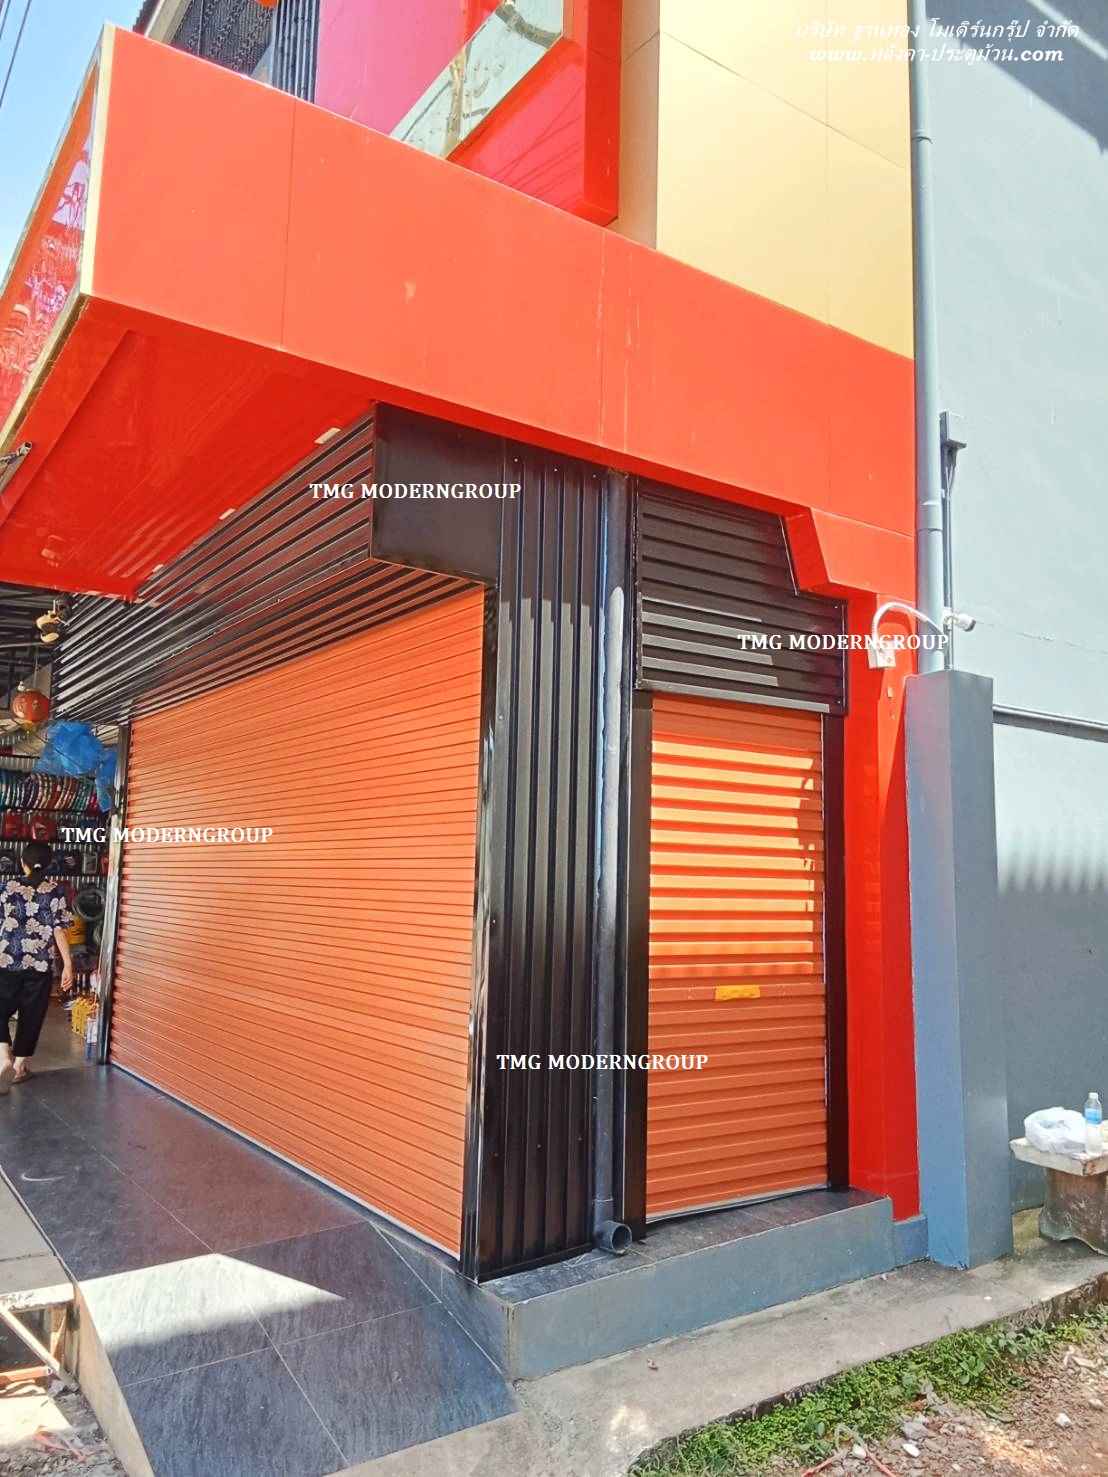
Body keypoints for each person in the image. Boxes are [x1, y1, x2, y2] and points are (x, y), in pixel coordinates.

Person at [0, 840, 75, 1093]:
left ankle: (3, 1057)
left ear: (23, 863)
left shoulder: (6, 888)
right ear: (50, 864)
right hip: (40, 965)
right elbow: (60, 930)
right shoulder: (57, 892)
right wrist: (68, 965)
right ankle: (19, 1066)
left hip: (7, 960)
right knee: (31, 1014)